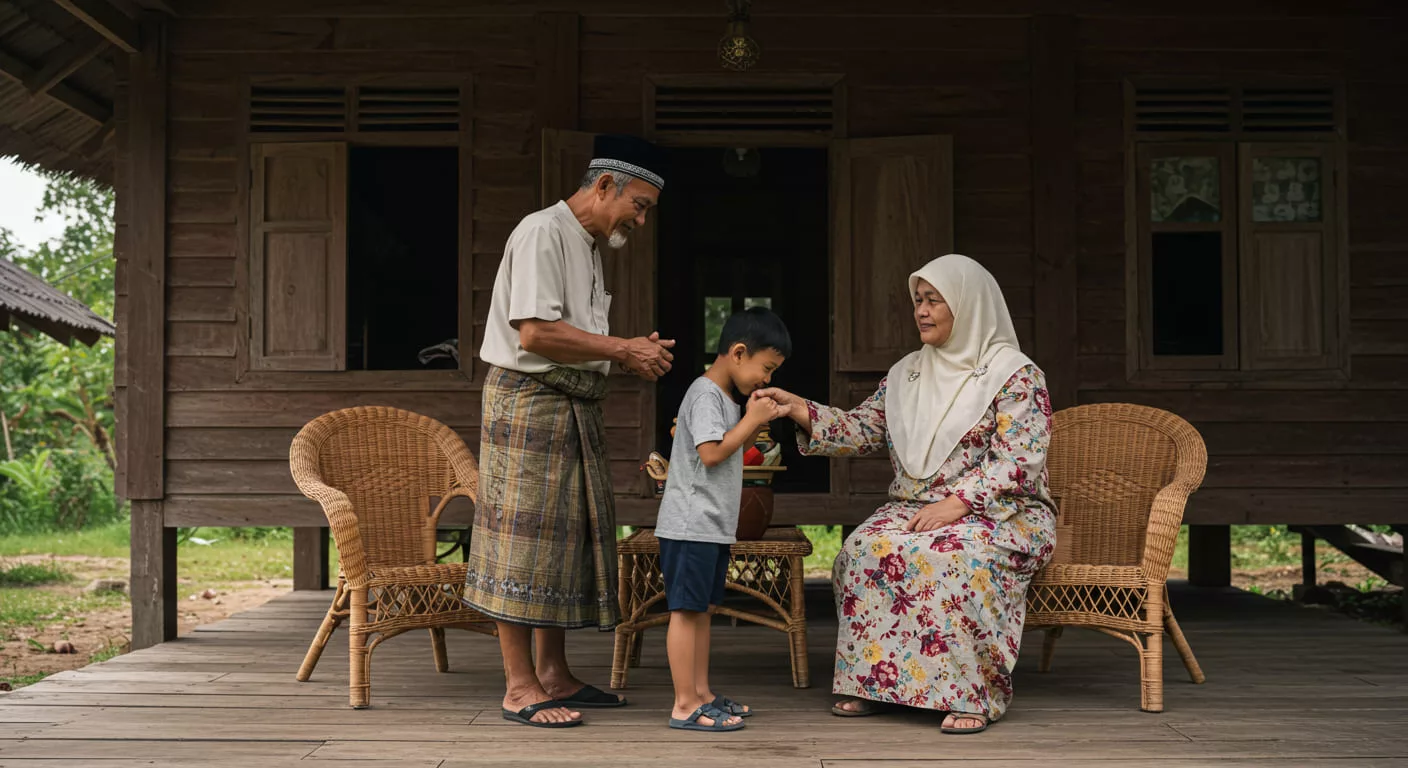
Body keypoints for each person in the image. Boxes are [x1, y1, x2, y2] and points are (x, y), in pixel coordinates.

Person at [754, 254, 1057, 735]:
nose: (922, 310)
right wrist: (798, 409)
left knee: (957, 558)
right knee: (861, 551)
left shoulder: (1015, 374)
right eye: (918, 300)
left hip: (1000, 512)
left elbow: (1019, 459)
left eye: (935, 300)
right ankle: (877, 684)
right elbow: (863, 429)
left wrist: (957, 503)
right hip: (913, 508)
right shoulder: (906, 373)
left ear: (968, 304)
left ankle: (970, 695)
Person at [466, 134, 675, 729]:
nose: (640, 219)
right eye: (638, 205)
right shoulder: (541, 232)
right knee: (521, 538)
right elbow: (533, 333)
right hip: (528, 402)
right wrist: (622, 348)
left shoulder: (586, 243)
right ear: (604, 185)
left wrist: (627, 351)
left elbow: (574, 335)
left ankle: (553, 675)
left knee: (559, 541)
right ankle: (518, 685)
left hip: (570, 401)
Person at [655, 308, 792, 733]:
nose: (766, 379)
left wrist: (752, 421)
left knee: (703, 609)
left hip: (710, 525)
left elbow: (732, 446)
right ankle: (683, 704)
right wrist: (750, 419)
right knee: (685, 610)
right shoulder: (705, 394)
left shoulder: (723, 399)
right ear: (737, 352)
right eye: (765, 369)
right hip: (689, 523)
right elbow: (711, 453)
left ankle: (702, 694)